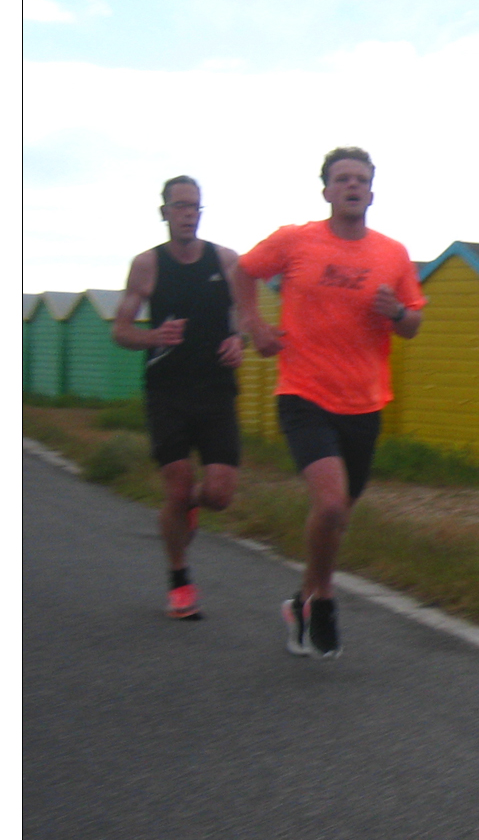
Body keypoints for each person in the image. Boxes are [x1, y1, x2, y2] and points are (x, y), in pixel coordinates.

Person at [233, 147, 424, 659]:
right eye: (342, 179)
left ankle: (302, 600)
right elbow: (243, 271)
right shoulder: (296, 241)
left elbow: (413, 325)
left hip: (364, 401)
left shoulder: (393, 254)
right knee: (331, 503)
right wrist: (254, 325)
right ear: (326, 191)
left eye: (361, 179)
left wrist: (397, 311)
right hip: (304, 393)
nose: (352, 186)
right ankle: (326, 599)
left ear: (372, 192)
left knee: (337, 517)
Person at [113, 176, 243, 620]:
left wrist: (239, 340)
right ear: (164, 212)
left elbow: (247, 314)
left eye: (195, 207)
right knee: (177, 480)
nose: (188, 214)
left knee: (220, 494)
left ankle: (188, 505)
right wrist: (154, 335)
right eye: (180, 206)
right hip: (167, 390)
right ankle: (180, 581)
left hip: (216, 391)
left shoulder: (225, 260)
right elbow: (120, 330)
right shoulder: (147, 265)